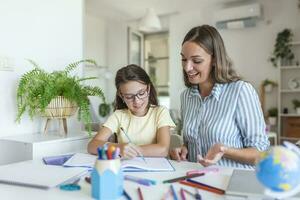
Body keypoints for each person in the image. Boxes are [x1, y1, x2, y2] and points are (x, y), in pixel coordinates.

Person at [170, 25, 269, 168]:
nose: (187, 68)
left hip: (231, 182)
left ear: (215, 59)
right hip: (196, 179)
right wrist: (184, 149)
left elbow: (261, 154)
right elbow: (191, 141)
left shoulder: (241, 91)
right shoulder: (186, 96)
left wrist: (225, 150)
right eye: (184, 59)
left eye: (196, 61)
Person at [88, 64, 175, 158]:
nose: (137, 101)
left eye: (141, 93)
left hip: (155, 170)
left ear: (148, 89)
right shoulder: (118, 116)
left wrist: (133, 150)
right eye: (129, 96)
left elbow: (163, 150)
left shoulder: (160, 113)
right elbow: (92, 145)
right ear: (121, 95)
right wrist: (119, 148)